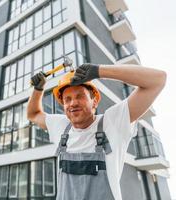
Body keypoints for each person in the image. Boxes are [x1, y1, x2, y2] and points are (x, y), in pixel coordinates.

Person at [27, 63, 166, 200]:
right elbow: (33, 114)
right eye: (67, 100)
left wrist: (99, 71)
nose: (73, 103)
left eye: (80, 96)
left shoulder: (113, 123)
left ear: (94, 102)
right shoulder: (61, 125)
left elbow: (157, 79)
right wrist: (38, 89)